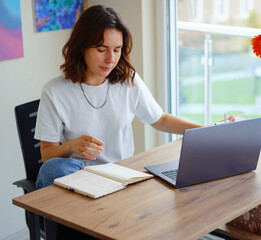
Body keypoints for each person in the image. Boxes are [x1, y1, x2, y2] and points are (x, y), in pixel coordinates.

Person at [35, 5, 203, 189]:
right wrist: (70, 147)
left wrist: (204, 132)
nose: (111, 59)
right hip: (79, 179)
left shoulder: (128, 80)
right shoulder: (55, 92)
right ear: (82, 47)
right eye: (102, 49)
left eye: (117, 50)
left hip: (122, 177)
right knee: (52, 169)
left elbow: (160, 119)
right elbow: (47, 154)